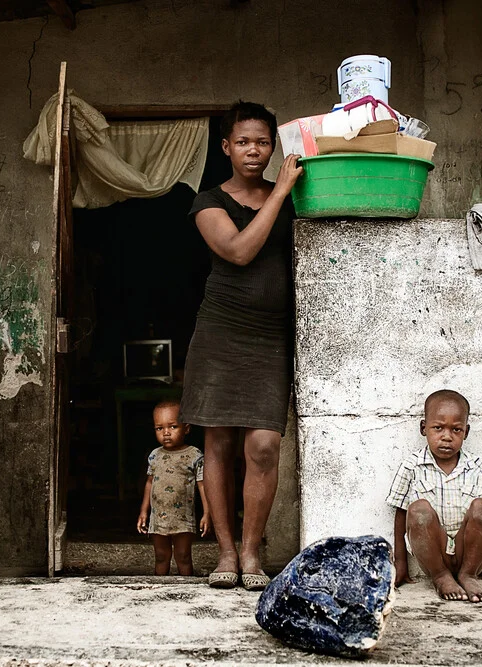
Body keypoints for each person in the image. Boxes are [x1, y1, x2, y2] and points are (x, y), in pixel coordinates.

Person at [179, 101, 303, 590]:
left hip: (270, 336)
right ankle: (227, 554)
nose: (255, 151)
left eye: (264, 142)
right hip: (221, 332)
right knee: (219, 441)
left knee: (265, 445)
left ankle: (254, 552)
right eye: (244, 142)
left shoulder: (290, 195)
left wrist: (288, 190)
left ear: (275, 146)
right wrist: (283, 192)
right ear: (226, 146)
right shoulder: (207, 201)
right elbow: (239, 250)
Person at [386, 389, 482, 602]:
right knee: (418, 509)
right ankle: (441, 576)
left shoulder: (481, 468)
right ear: (423, 428)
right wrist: (400, 562)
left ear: (466, 432)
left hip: (469, 552)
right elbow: (401, 514)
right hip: (433, 552)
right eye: (438, 428)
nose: (446, 437)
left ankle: (468, 575)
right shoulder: (412, 467)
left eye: (456, 429)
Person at [136, 400, 210, 576]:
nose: (166, 433)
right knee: (161, 556)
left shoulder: (194, 455)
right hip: (158, 518)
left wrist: (207, 513)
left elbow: (202, 485)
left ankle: (188, 590)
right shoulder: (155, 455)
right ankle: (160, 590)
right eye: (159, 428)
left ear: (186, 428)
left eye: (173, 427)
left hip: (183, 518)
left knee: (183, 556)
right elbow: (149, 483)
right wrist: (143, 511)